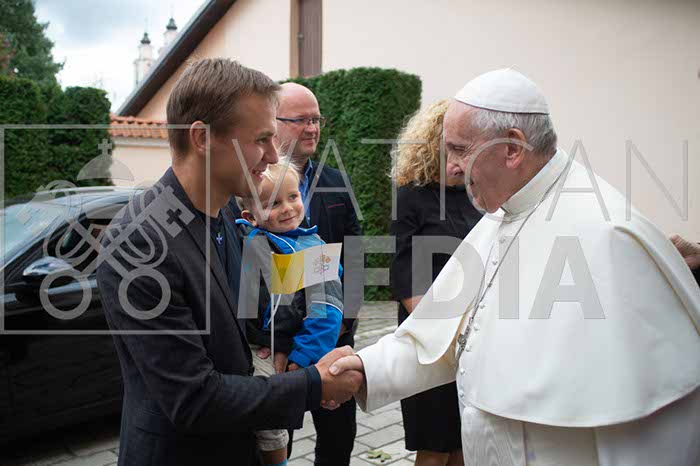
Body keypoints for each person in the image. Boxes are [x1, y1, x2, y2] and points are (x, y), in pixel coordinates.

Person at [330, 69, 700, 465]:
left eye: (459, 150)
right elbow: (445, 330)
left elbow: (644, 436)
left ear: (512, 148)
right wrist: (368, 368)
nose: (452, 166)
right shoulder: (499, 216)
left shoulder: (606, 232)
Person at [96, 59, 362, 466]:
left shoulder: (227, 216)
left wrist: (309, 340)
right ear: (203, 138)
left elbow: (278, 294)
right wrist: (313, 384)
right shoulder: (139, 243)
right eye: (261, 140)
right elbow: (194, 399)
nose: (273, 155)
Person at [249, 82, 362, 466]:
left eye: (317, 119)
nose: (312, 128)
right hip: (276, 346)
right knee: (278, 433)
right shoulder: (251, 184)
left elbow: (355, 253)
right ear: (274, 122)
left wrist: (343, 323)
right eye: (301, 120)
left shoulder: (335, 180)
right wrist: (278, 342)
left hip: (332, 337)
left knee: (338, 439)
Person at [390, 100, 481, 466]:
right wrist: (447, 334)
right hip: (431, 339)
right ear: (434, 145)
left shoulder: (478, 196)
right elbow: (406, 277)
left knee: (464, 444)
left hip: (474, 338)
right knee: (434, 447)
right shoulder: (411, 197)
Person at [236, 158, 344, 465]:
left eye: (293, 197)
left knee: (269, 416)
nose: (287, 208)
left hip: (271, 351)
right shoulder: (246, 238)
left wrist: (303, 357)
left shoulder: (311, 249)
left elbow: (327, 311)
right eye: (273, 203)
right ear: (250, 216)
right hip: (244, 342)